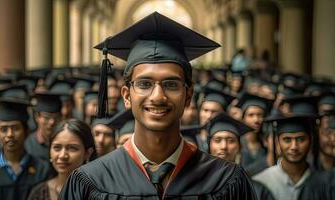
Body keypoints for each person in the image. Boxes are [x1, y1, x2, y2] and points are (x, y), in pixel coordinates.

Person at [59, 12, 256, 199]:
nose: (158, 96)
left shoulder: (226, 180)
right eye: (144, 84)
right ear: (127, 96)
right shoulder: (91, 181)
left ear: (188, 95)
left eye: (171, 84)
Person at [0, 99, 51, 200]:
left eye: (16, 128)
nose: (10, 135)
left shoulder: (43, 170)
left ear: (27, 131)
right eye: (4, 129)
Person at [207, 112, 274, 200]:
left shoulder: (257, 191)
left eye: (230, 140)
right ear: (209, 145)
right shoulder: (198, 188)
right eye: (217, 140)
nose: (223, 146)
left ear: (240, 147)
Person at [28, 119, 96, 200]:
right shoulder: (39, 193)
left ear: (88, 153)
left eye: (72, 148)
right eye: (57, 147)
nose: (62, 155)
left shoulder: (97, 193)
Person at [253, 114, 315, 200]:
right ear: (277, 142)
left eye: (301, 139)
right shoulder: (262, 182)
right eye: (287, 139)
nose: (294, 147)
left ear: (311, 140)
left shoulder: (325, 182)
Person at [236, 92, 272, 168]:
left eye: (260, 115)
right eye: (251, 115)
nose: (256, 120)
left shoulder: (267, 144)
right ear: (243, 118)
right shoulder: (236, 142)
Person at [25, 93, 62, 161]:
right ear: (37, 117)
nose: (52, 122)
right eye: (47, 117)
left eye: (56, 117)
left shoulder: (64, 142)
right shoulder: (27, 144)